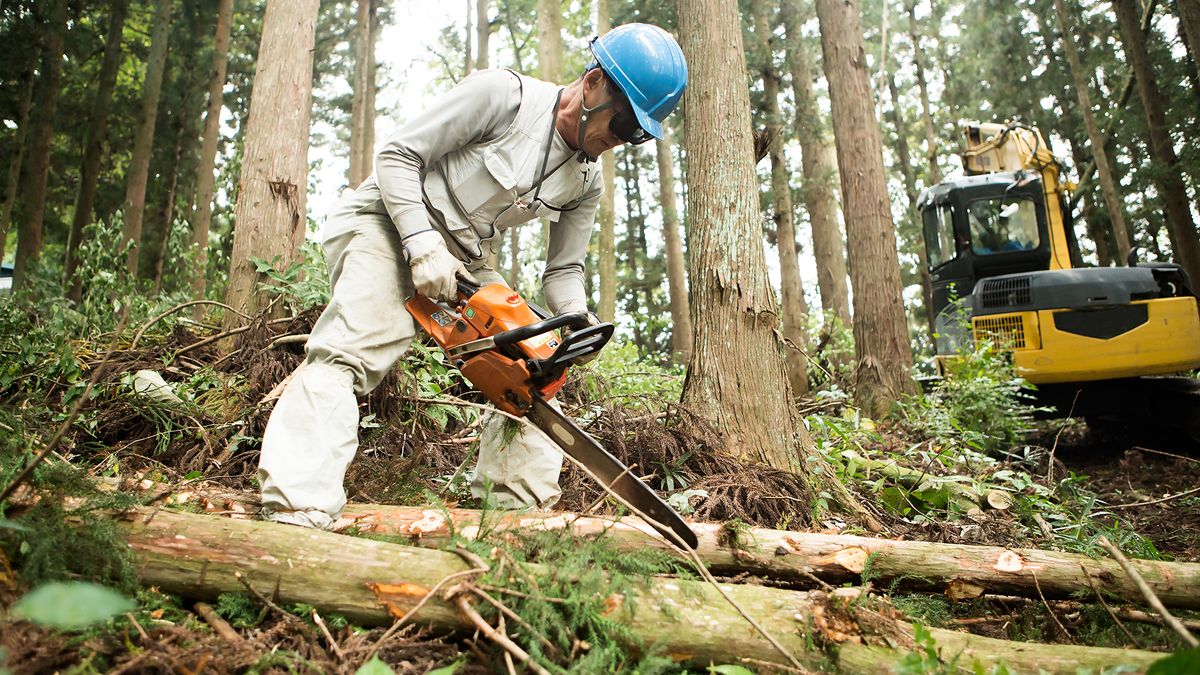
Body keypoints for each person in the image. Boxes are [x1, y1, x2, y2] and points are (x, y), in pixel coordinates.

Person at [257, 24, 689, 529]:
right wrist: (421, 243)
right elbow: (397, 155)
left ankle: (512, 515)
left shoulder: (586, 178)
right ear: (593, 83)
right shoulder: (504, 97)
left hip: (464, 259)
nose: (619, 141)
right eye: (622, 125)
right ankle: (296, 506)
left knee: (533, 369)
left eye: (635, 135)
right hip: (388, 218)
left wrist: (574, 316)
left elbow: (564, 269)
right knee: (355, 346)